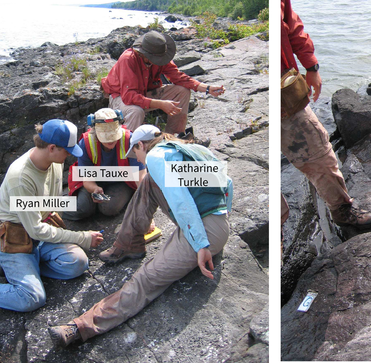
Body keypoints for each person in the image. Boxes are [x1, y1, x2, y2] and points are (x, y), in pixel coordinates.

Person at [47, 125, 232, 346]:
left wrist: (202, 243)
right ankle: (129, 244)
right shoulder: (187, 147)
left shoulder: (155, 156)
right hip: (214, 222)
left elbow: (180, 199)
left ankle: (83, 326)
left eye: (135, 153)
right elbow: (226, 183)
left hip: (205, 231)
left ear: (141, 145)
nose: (138, 158)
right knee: (148, 181)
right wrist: (221, 220)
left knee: (147, 278)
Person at [0, 120, 104, 329]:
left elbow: (51, 203)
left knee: (78, 263)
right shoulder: (21, 177)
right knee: (32, 297)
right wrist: (82, 237)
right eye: (67, 151)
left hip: (38, 227)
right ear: (52, 148)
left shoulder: (55, 162)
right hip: (13, 234)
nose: (69, 155)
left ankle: (21, 267)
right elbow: (35, 229)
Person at [280, 0, 371, 230]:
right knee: (316, 151)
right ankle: (280, 230)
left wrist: (311, 65)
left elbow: (291, 22)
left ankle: (341, 209)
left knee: (317, 147)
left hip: (285, 91)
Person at [100, 30, 225, 134]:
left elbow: (178, 77)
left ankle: (173, 137)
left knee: (182, 92)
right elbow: (129, 97)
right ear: (143, 53)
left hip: (144, 93)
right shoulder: (128, 60)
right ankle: (131, 152)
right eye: (156, 58)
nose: (160, 61)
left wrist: (207, 88)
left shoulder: (161, 56)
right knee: (136, 111)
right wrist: (161, 104)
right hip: (120, 97)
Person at [63, 108, 145, 221]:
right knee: (82, 208)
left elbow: (141, 177)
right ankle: (46, 208)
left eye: (113, 135)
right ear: (95, 131)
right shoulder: (86, 143)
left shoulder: (129, 139)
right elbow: (87, 179)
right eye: (105, 137)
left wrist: (144, 212)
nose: (110, 141)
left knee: (109, 208)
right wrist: (94, 189)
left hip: (122, 181)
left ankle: (100, 205)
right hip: (96, 179)